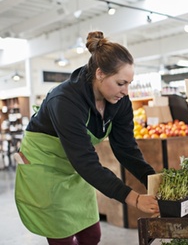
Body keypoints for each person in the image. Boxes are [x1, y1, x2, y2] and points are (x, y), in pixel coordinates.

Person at [14, 31, 159, 245]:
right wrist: (134, 198)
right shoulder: (64, 101)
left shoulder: (119, 102)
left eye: (129, 83)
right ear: (100, 74)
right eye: (121, 83)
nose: (126, 91)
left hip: (74, 167)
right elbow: (85, 161)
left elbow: (126, 148)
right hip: (45, 167)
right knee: (62, 238)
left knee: (91, 235)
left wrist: (153, 181)